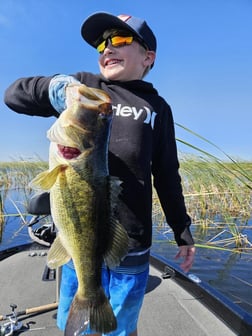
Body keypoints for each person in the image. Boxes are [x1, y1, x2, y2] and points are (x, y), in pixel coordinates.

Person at [4, 12, 196, 336]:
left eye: (120, 40)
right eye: (102, 43)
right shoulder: (84, 87)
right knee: (74, 326)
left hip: (130, 242)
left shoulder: (157, 108)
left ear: (148, 56)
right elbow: (13, 95)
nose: (107, 48)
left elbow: (166, 174)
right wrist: (58, 88)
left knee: (120, 328)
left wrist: (183, 230)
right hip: (78, 240)